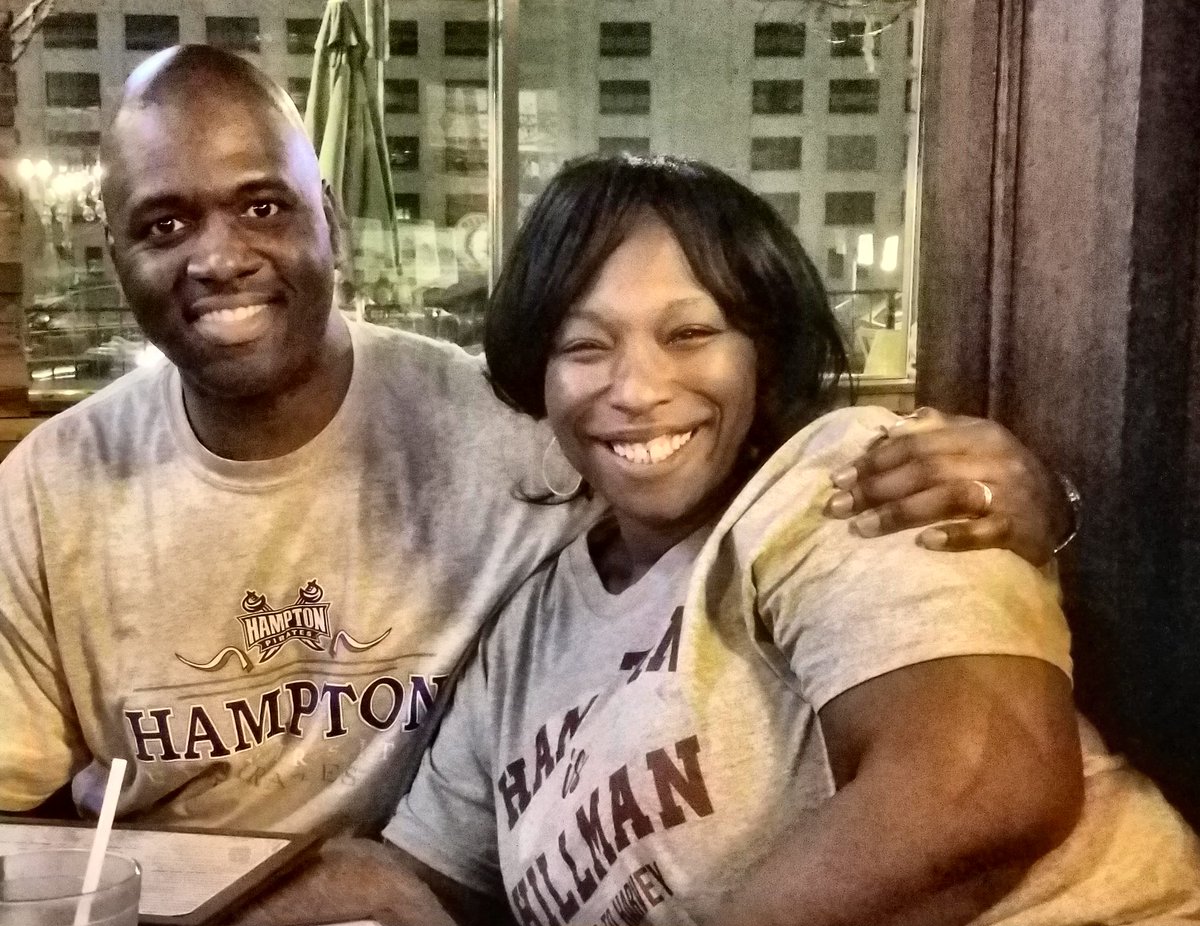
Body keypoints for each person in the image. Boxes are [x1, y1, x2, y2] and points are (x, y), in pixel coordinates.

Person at [0, 46, 1068, 833]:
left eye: (264, 207)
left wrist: (1036, 500)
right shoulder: (51, 486)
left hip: (437, 921)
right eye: (165, 224)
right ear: (114, 254)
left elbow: (728, 468)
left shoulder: (517, 423)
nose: (220, 255)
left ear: (330, 215)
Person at [378, 155, 1200, 926]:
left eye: (690, 334)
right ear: (537, 374)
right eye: (584, 346)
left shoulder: (843, 483)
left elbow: (984, 781)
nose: (637, 387)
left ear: (761, 353)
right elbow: (408, 883)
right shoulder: (532, 629)